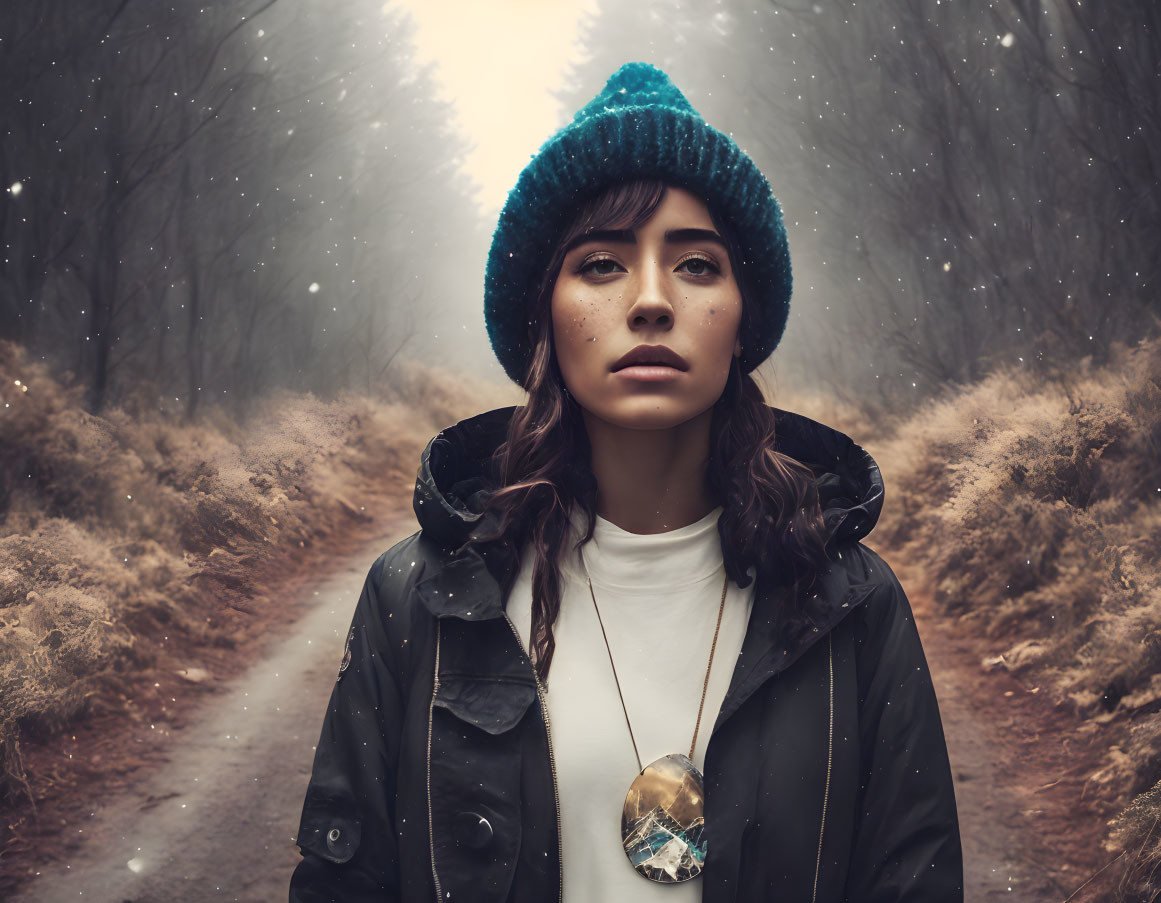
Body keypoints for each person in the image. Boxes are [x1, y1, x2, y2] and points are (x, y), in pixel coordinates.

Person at [288, 62, 963, 902]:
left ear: (741, 318)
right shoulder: (414, 599)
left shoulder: (852, 606)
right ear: (544, 318)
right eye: (602, 264)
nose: (649, 301)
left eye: (696, 265)